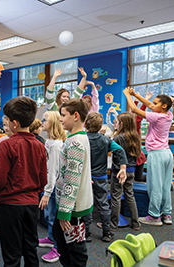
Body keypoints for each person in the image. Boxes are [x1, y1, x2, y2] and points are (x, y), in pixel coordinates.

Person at [0, 96, 47, 267]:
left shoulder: (7, 145)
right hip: (31, 205)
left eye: (7, 120)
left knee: (12, 253)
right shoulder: (39, 145)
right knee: (31, 249)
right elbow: (42, 179)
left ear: (14, 124)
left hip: (10, 206)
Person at [124, 87, 174, 226]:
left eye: (156, 103)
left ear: (163, 106)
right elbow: (150, 105)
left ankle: (154, 216)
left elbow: (134, 110)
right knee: (165, 185)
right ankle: (166, 214)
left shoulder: (156, 117)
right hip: (167, 153)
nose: (152, 105)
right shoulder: (168, 115)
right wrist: (137, 95)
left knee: (154, 186)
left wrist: (128, 95)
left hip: (157, 154)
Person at [53, 98, 92, 266]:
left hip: (72, 210)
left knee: (75, 251)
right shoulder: (77, 137)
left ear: (75, 116)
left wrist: (64, 212)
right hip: (71, 206)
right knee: (62, 241)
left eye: (63, 115)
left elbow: (72, 179)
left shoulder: (75, 142)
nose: (60, 119)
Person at [84, 112, 127, 242]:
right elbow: (120, 150)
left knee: (87, 204)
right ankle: (107, 233)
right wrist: (123, 168)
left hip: (87, 177)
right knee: (103, 204)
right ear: (101, 127)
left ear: (85, 125)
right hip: (101, 177)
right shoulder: (106, 140)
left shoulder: (83, 139)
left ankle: (86, 233)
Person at [38, 111, 66, 263]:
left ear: (53, 123)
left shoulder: (56, 145)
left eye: (45, 119)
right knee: (49, 216)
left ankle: (57, 247)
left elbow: (53, 171)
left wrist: (47, 192)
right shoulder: (48, 141)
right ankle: (50, 238)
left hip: (53, 187)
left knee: (54, 218)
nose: (42, 121)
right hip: (48, 185)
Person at [110, 112, 141, 231]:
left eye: (116, 122)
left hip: (119, 171)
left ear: (121, 124)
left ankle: (113, 225)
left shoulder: (118, 138)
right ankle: (136, 223)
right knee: (130, 195)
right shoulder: (135, 136)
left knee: (116, 197)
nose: (115, 124)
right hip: (131, 171)